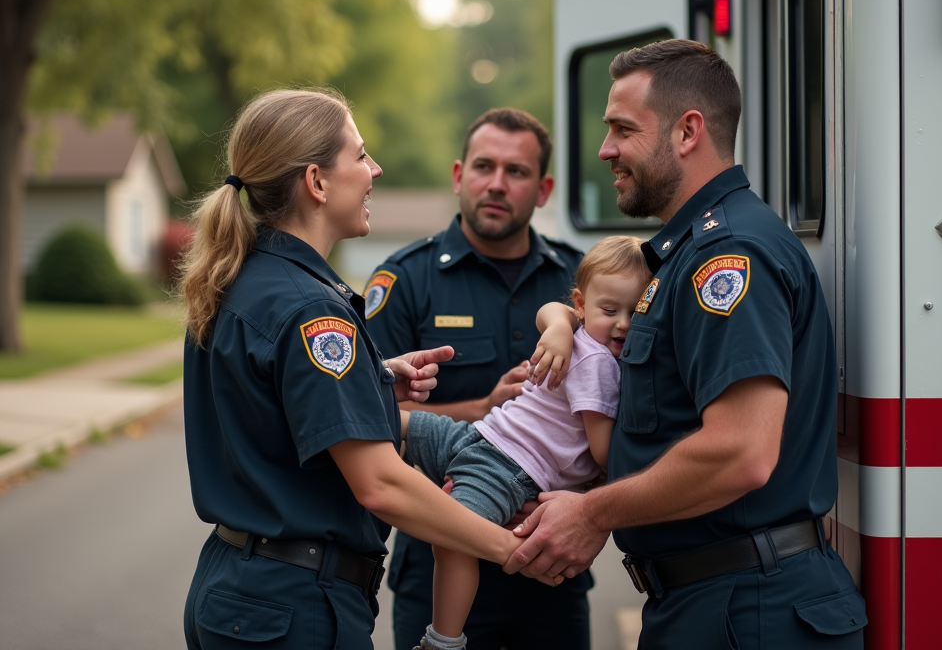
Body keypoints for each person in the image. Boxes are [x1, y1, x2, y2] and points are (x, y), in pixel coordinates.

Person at [506, 40, 867, 649]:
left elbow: (741, 452)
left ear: (687, 131)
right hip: (714, 603)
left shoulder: (725, 259)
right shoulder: (684, 259)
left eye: (622, 129)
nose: (605, 150)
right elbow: (667, 431)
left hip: (745, 610)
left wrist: (593, 514)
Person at [178, 89, 531, 650]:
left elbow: (271, 408)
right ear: (317, 182)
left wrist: (373, 376)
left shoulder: (244, 280)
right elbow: (381, 486)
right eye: (361, 156)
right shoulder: (312, 309)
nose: (376, 170)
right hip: (292, 606)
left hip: (238, 590)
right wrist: (514, 551)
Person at [363, 107, 590, 650]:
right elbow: (367, 423)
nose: (496, 183)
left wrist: (586, 503)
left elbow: (618, 410)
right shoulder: (405, 279)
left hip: (550, 568)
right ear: (459, 175)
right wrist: (480, 408)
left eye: (516, 172)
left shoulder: (584, 282)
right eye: (484, 167)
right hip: (438, 570)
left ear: (543, 188)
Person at [400, 236, 650, 650]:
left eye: (636, 311)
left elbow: (601, 452)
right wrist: (557, 326)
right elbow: (605, 453)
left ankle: (443, 639)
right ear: (582, 305)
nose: (623, 323)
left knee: (403, 438)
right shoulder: (596, 356)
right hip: (489, 443)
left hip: (502, 463)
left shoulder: (594, 352)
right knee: (446, 527)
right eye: (610, 310)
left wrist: (560, 327)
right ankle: (444, 638)